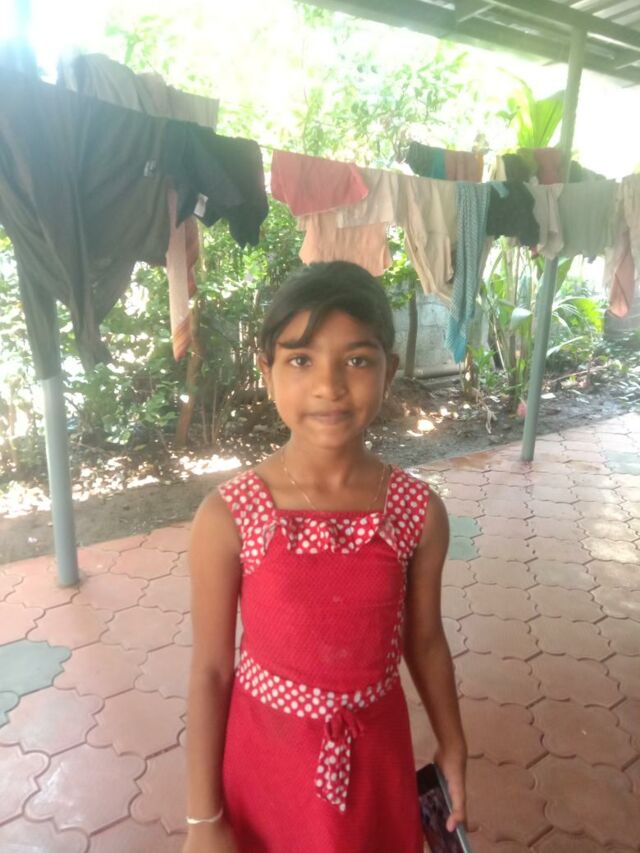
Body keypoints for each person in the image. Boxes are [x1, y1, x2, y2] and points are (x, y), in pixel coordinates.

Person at [183, 261, 467, 853]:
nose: (329, 386)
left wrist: (453, 746)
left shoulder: (417, 512)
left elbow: (425, 641)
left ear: (389, 370)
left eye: (357, 360)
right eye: (301, 360)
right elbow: (211, 671)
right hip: (267, 764)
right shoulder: (229, 516)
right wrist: (203, 821)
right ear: (267, 372)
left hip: (375, 763)